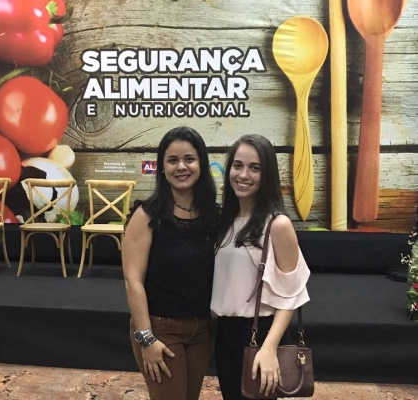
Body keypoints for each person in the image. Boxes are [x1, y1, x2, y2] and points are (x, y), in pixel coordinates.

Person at [211, 134, 310, 399]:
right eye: (238, 165)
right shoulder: (224, 221)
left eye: (254, 168)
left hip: (260, 334)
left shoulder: (277, 224)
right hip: (225, 334)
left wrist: (269, 347)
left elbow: (290, 295)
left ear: (267, 175)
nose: (243, 175)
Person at [122, 126, 218, 400]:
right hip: (160, 329)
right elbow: (133, 281)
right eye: (173, 160)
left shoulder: (212, 215)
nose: (181, 167)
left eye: (189, 159)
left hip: (201, 330)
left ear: (201, 164)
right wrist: (146, 339)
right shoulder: (146, 215)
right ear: (162, 167)